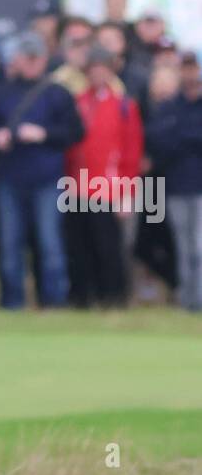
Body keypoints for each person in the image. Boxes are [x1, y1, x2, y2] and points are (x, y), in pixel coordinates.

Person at [0, 32, 83, 309]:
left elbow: (75, 131)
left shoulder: (57, 93)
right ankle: (12, 304)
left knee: (50, 245)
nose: (32, 64)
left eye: (36, 58)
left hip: (48, 180)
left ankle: (54, 304)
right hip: (9, 179)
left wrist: (42, 134)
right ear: (18, 60)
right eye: (27, 58)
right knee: (10, 247)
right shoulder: (0, 93)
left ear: (44, 60)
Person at [63, 46, 143, 307]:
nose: (97, 73)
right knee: (79, 247)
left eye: (102, 68)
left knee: (107, 247)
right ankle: (83, 299)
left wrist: (127, 192)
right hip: (76, 187)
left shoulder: (123, 106)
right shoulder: (77, 103)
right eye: (93, 68)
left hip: (107, 188)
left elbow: (131, 153)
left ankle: (113, 298)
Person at [148, 51, 202, 310]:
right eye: (187, 68)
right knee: (183, 247)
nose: (191, 74)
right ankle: (188, 301)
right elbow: (159, 141)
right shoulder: (170, 106)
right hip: (177, 186)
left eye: (195, 68)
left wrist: (182, 136)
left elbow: (176, 138)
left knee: (200, 248)